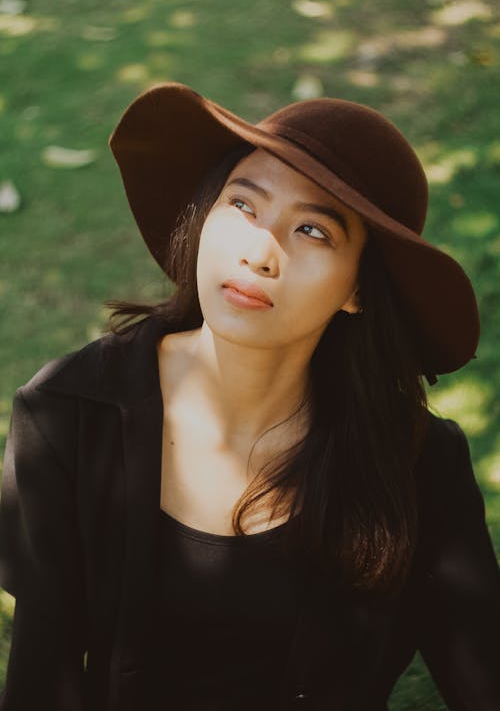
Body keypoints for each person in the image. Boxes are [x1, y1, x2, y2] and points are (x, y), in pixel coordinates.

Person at [0, 82, 499, 711]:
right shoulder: (66, 419)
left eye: (314, 230)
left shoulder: (415, 462)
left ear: (358, 290)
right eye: (243, 205)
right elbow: (41, 683)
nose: (260, 253)